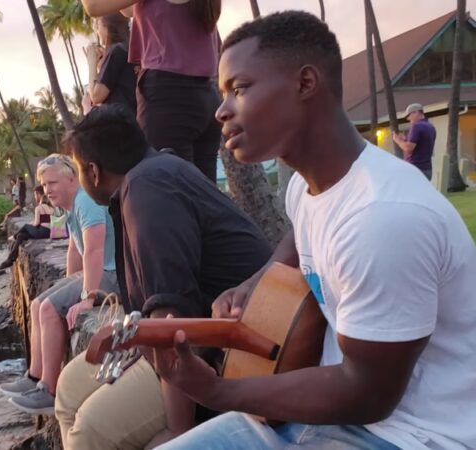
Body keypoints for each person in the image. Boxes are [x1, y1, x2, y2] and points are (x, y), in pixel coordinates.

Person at [147, 12, 476, 450]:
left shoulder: (385, 219)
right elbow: (301, 236)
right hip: (323, 414)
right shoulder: (306, 187)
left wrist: (215, 391)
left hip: (415, 434)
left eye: (239, 89)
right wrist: (255, 281)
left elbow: (366, 394)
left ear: (305, 84)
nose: (220, 110)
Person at [58, 104, 272, 449]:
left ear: (93, 171)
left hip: (221, 352)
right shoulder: (156, 170)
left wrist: (177, 430)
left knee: (91, 430)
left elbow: (173, 323)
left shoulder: (147, 190)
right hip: (185, 335)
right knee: (68, 389)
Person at [1, 154, 119, 415]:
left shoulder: (86, 201)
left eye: (52, 183)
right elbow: (75, 250)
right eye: (44, 185)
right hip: (101, 270)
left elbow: (94, 250)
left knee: (49, 309)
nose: (47, 190)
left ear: (72, 179)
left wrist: (88, 297)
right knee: (37, 304)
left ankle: (50, 390)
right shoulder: (69, 207)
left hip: (114, 274)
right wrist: (69, 281)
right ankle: (34, 377)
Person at [81, 0, 223, 182]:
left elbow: (94, 6)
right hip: (205, 96)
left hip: (169, 97)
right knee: (204, 194)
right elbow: (128, 10)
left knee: (167, 187)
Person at [83, 13, 137, 115]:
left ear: (106, 27)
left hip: (119, 121)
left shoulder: (117, 50)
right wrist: (101, 65)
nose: (97, 31)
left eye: (98, 26)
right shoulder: (129, 49)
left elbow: (96, 96)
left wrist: (92, 64)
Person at [0, 185, 55, 270]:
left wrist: (30, 224)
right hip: (49, 232)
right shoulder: (51, 207)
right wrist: (32, 223)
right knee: (22, 236)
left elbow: (36, 223)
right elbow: (43, 222)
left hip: (42, 232)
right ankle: (10, 260)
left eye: (35, 195)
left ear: (38, 194)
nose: (35, 197)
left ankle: (13, 237)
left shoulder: (39, 208)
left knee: (26, 226)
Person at [393, 103, 437, 180]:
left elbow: (408, 148)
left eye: (409, 115)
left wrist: (398, 141)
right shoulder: (431, 127)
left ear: (416, 112)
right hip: (427, 169)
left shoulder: (417, 126)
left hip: (415, 168)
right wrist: (405, 140)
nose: (408, 119)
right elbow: (421, 145)